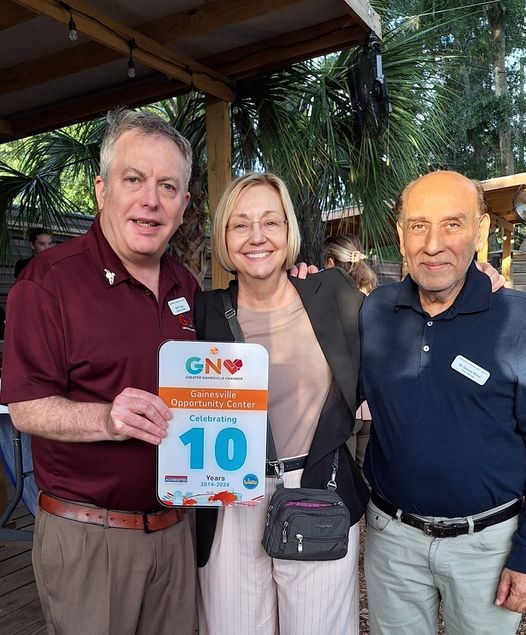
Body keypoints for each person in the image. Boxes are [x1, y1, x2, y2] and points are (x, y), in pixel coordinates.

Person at [1, 109, 199, 635]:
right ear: (101, 190)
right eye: (133, 179)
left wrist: (298, 292)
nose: (150, 200)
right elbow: (25, 408)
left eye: (167, 186)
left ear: (183, 204)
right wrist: (109, 418)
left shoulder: (187, 285)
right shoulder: (49, 282)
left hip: (176, 531)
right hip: (90, 537)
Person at [194, 172, 369, 635]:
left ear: (289, 231)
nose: (257, 237)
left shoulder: (332, 294)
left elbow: (398, 333)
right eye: (240, 224)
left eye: (271, 222)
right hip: (229, 494)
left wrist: (479, 280)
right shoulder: (203, 312)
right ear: (224, 237)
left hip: (317, 486)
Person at [360, 170, 526, 634]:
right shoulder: (376, 311)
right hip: (393, 541)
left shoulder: (516, 321)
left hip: (487, 547)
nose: (433, 244)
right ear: (400, 235)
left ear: (480, 230)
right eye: (418, 225)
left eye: (452, 224)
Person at [323, 234, 377, 474]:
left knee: (342, 482)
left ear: (330, 263)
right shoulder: (375, 298)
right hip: (371, 407)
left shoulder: (326, 302)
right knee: (365, 478)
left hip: (342, 406)